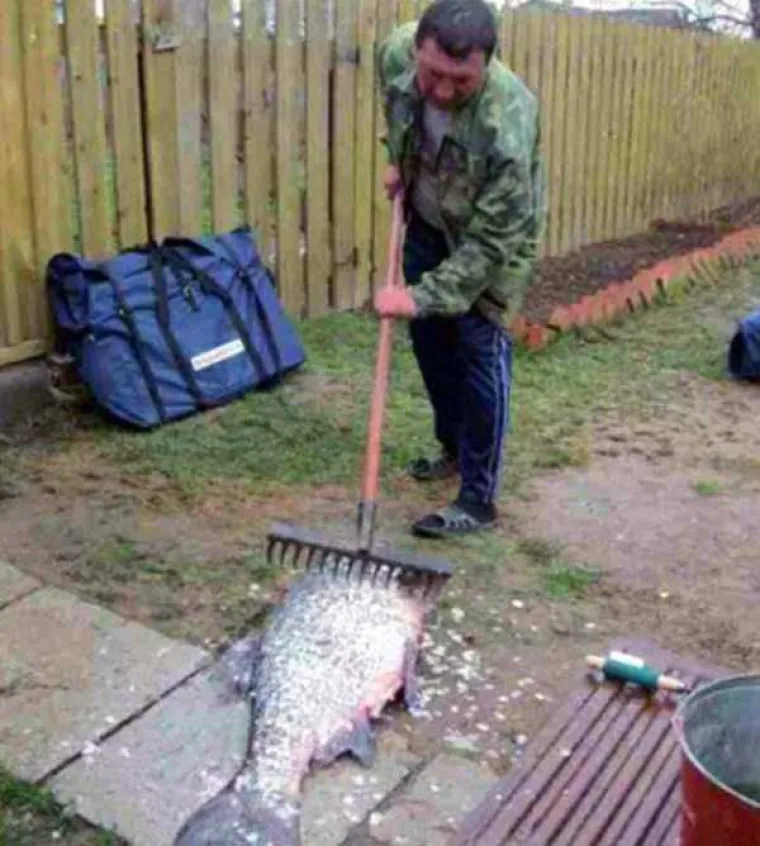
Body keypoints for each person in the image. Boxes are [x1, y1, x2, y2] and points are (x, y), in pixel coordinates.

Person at [373, 0, 546, 539]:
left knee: (477, 352)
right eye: (433, 75)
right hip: (426, 218)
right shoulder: (396, 52)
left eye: (461, 81)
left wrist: (421, 296)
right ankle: (451, 447)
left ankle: (477, 497)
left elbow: (493, 239)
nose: (443, 91)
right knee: (431, 346)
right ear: (417, 50)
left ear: (487, 64)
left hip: (491, 244)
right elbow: (397, 106)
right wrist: (398, 157)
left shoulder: (507, 120)